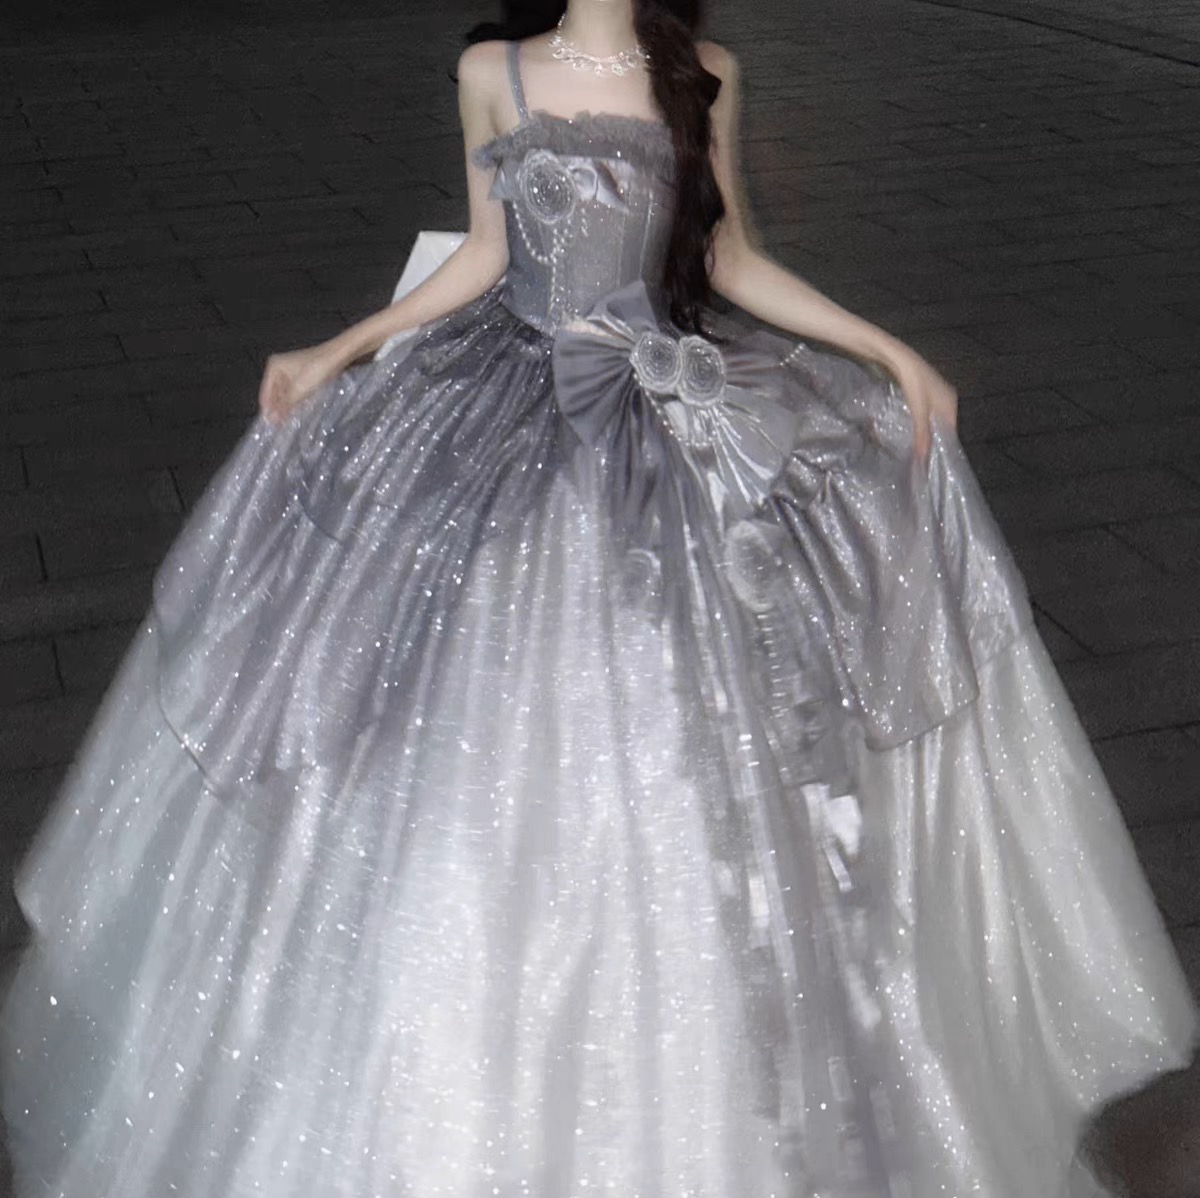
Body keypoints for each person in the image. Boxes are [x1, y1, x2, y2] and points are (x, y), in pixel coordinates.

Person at [2, 0, 1196, 1194]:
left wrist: (893, 352)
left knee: (704, 733)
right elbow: (484, 254)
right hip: (501, 416)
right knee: (460, 730)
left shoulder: (704, 73)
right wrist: (341, 348)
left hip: (666, 416)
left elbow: (731, 259)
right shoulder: (493, 70)